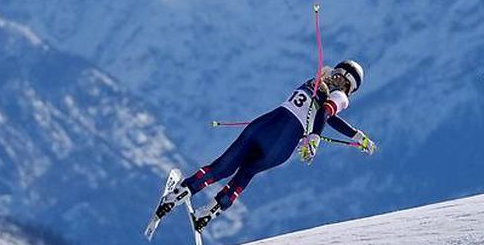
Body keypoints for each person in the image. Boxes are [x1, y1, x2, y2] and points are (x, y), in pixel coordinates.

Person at [156, 60, 377, 233]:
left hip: (267, 125)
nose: (335, 79)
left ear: (345, 82)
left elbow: (325, 113)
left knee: (223, 167)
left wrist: (322, 137)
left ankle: (182, 191)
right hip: (282, 147)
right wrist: (339, 136)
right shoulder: (334, 92)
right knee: (246, 173)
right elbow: (326, 114)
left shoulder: (326, 88)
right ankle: (210, 212)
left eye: (339, 77)